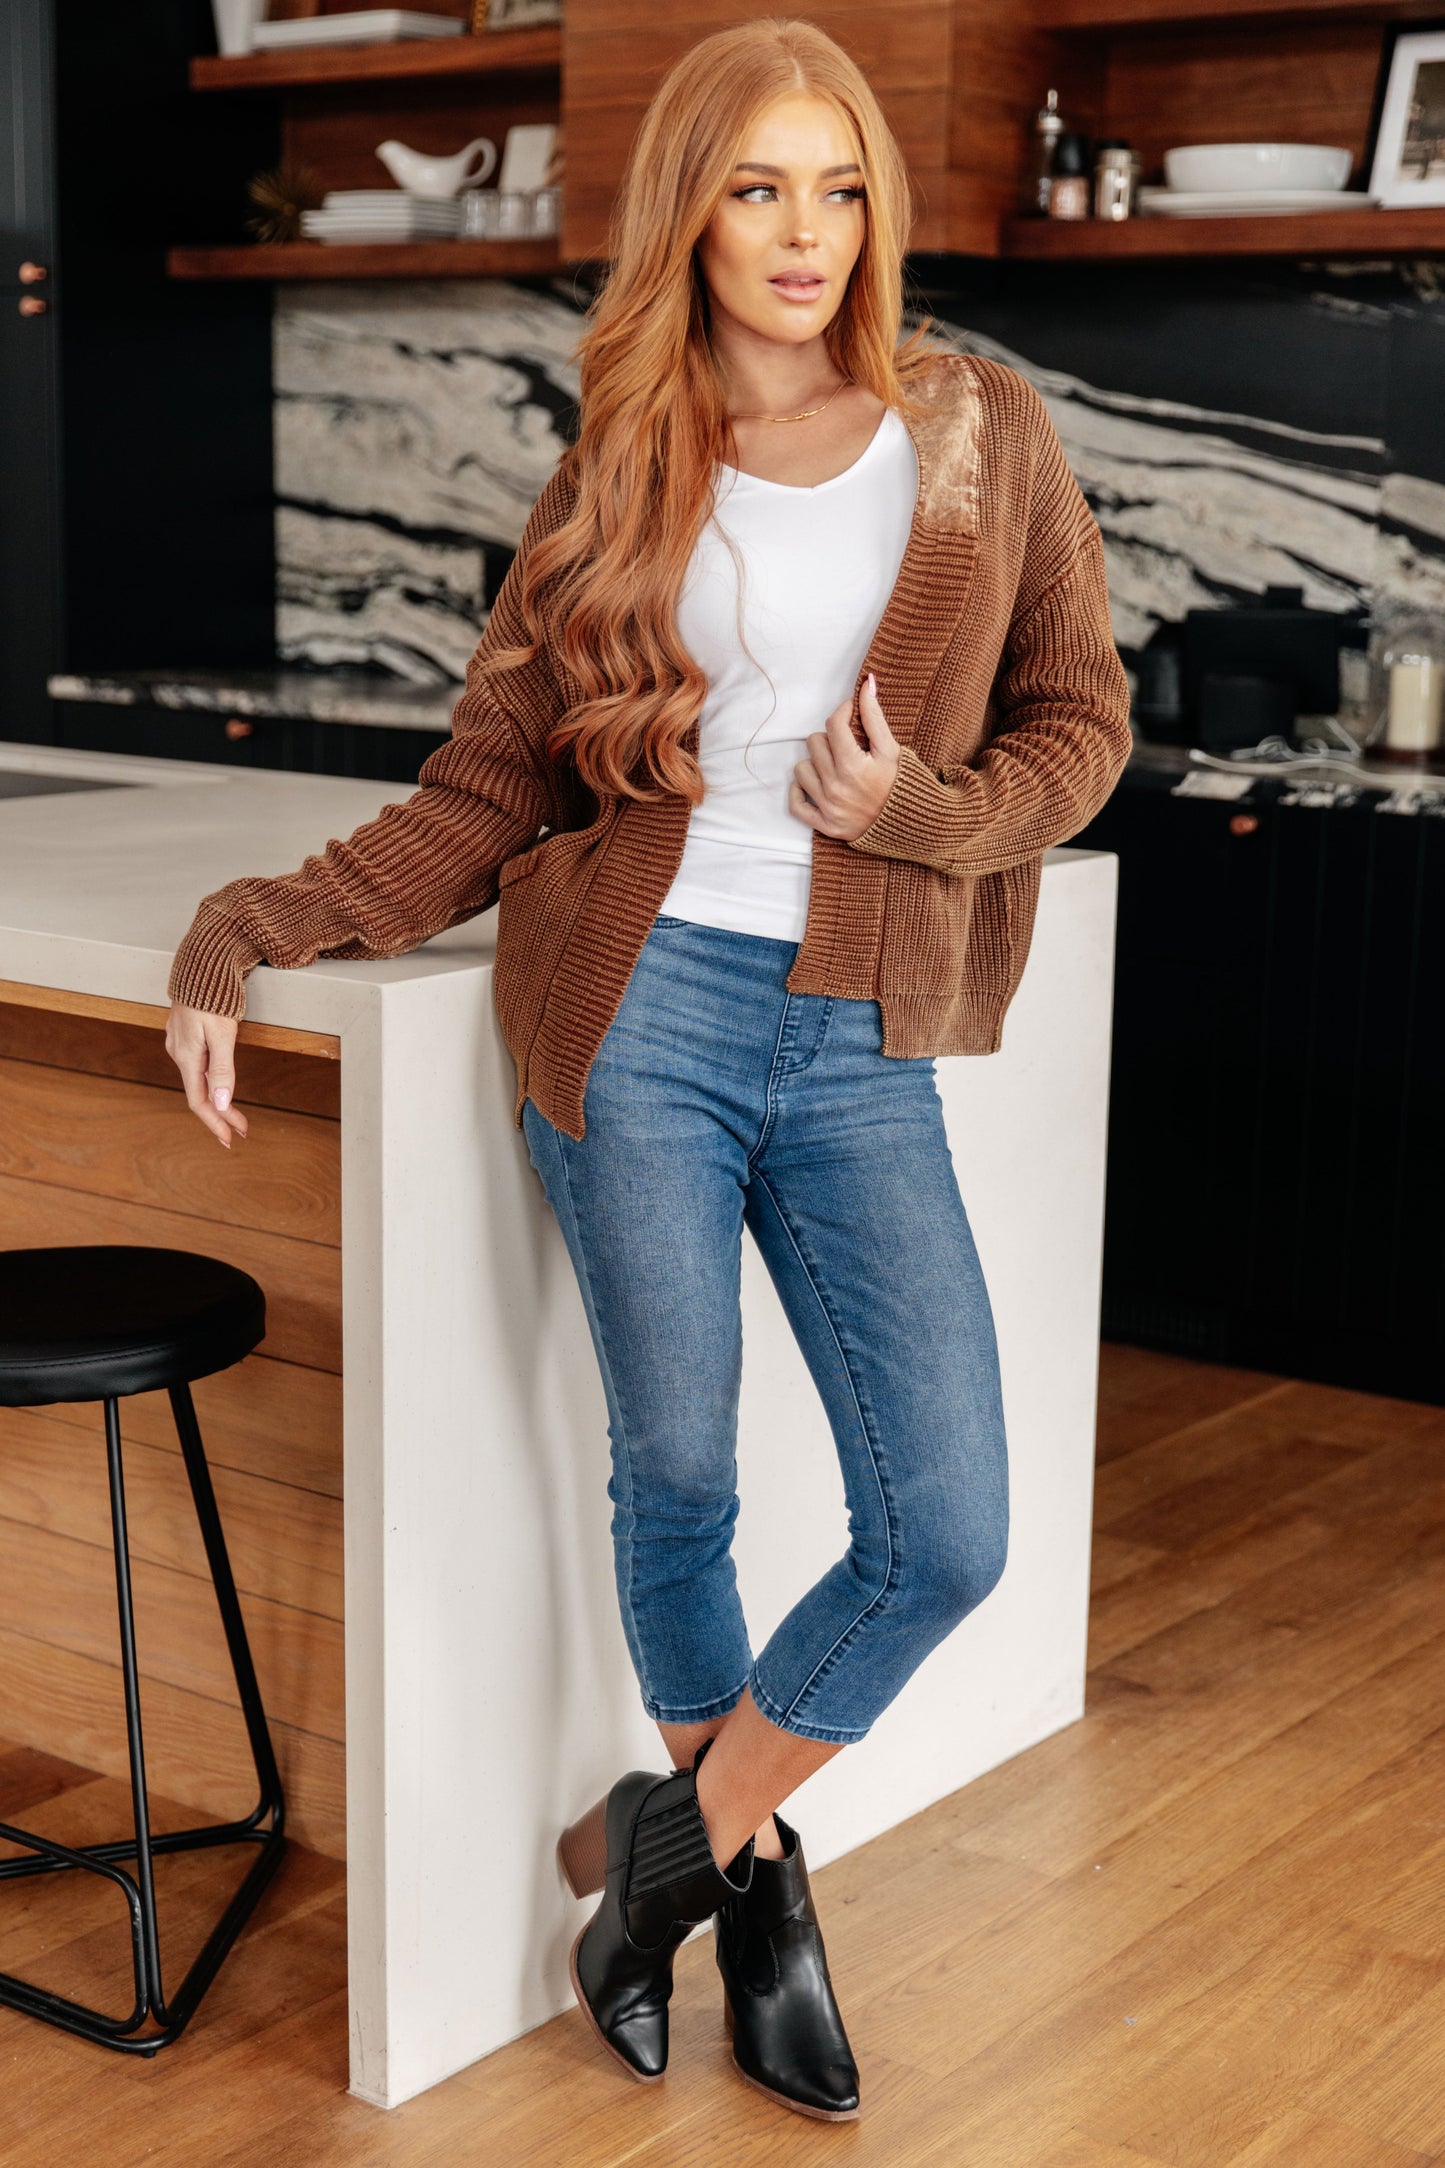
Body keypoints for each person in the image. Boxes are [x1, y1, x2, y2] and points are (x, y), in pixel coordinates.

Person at [164, 16, 1131, 2126]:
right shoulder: (620, 459)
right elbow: (485, 789)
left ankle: (659, 1862)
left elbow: (1081, 727)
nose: (804, 232)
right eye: (759, 188)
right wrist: (256, 923)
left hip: (859, 1032)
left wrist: (930, 814)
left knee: (943, 1522)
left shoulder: (976, 430)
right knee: (677, 1472)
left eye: (840, 186)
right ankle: (763, 1901)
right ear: (688, 208)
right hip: (640, 1019)